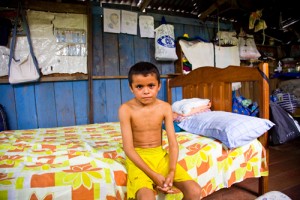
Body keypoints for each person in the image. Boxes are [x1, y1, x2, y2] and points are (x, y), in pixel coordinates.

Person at [119, 62, 201, 200]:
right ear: (131, 88)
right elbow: (128, 149)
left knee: (194, 191)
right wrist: (154, 175)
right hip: (138, 159)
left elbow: (173, 144)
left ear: (159, 86)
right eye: (139, 86)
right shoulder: (125, 109)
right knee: (146, 197)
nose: (146, 91)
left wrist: (171, 171)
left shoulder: (165, 107)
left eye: (151, 85)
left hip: (160, 156)